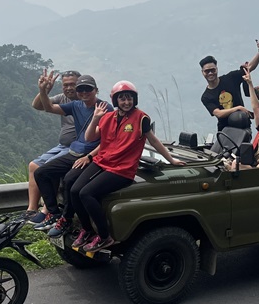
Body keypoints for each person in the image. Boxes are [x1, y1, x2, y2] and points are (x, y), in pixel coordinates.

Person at [59, 81, 185, 251]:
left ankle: (104, 236)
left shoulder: (141, 118)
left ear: (135, 99)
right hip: (102, 162)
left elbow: (154, 141)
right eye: (122, 99)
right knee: (74, 191)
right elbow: (89, 138)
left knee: (86, 194)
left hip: (121, 170)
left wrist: (171, 160)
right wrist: (95, 118)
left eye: (129, 98)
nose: (126, 102)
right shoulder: (108, 117)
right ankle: (87, 230)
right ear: (115, 100)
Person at [32, 74, 108, 232]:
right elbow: (48, 108)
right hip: (74, 152)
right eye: (81, 89)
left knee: (68, 180)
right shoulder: (76, 105)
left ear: (96, 90)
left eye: (88, 89)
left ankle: (66, 219)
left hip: (91, 155)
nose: (84, 92)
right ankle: (53, 213)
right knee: (41, 173)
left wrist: (89, 157)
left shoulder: (105, 109)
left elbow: (107, 140)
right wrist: (43, 91)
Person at [24, 69, 80, 224]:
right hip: (62, 145)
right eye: (65, 85)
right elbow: (38, 105)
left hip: (75, 148)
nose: (68, 88)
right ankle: (31, 209)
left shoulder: (85, 101)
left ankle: (47, 210)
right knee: (34, 165)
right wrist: (44, 90)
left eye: (72, 84)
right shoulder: (62, 98)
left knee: (48, 168)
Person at [200, 41, 259, 131]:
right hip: (225, 130)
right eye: (207, 71)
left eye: (212, 70)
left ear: (217, 69)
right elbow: (218, 113)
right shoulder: (206, 96)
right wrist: (238, 108)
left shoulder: (230, 78)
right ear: (202, 72)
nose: (210, 73)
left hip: (243, 126)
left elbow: (249, 68)